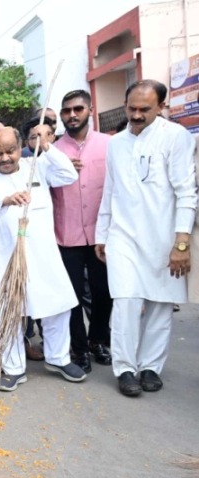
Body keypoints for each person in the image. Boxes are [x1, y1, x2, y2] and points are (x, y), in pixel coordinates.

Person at [95, 79, 198, 397]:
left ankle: (151, 366)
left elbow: (186, 192)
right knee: (125, 302)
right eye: (131, 108)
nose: (136, 115)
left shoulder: (176, 137)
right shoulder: (116, 143)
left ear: (161, 107)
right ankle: (125, 368)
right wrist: (102, 234)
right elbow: (110, 191)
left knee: (160, 305)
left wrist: (181, 244)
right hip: (123, 237)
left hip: (165, 238)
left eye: (144, 109)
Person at [0, 126, 87, 391]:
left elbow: (68, 174)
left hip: (42, 255)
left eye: (10, 151)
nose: (5, 158)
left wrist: (46, 145)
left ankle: (58, 358)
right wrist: (6, 200)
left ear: (20, 146)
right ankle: (13, 368)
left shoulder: (37, 165)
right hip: (5, 258)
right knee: (8, 312)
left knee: (57, 306)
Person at [52, 89, 113, 373]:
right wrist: (59, 171)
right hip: (66, 234)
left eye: (78, 109)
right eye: (66, 111)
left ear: (90, 109)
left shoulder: (109, 144)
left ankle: (98, 339)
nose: (72, 115)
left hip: (102, 233)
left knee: (104, 292)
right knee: (71, 295)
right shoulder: (51, 150)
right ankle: (78, 348)